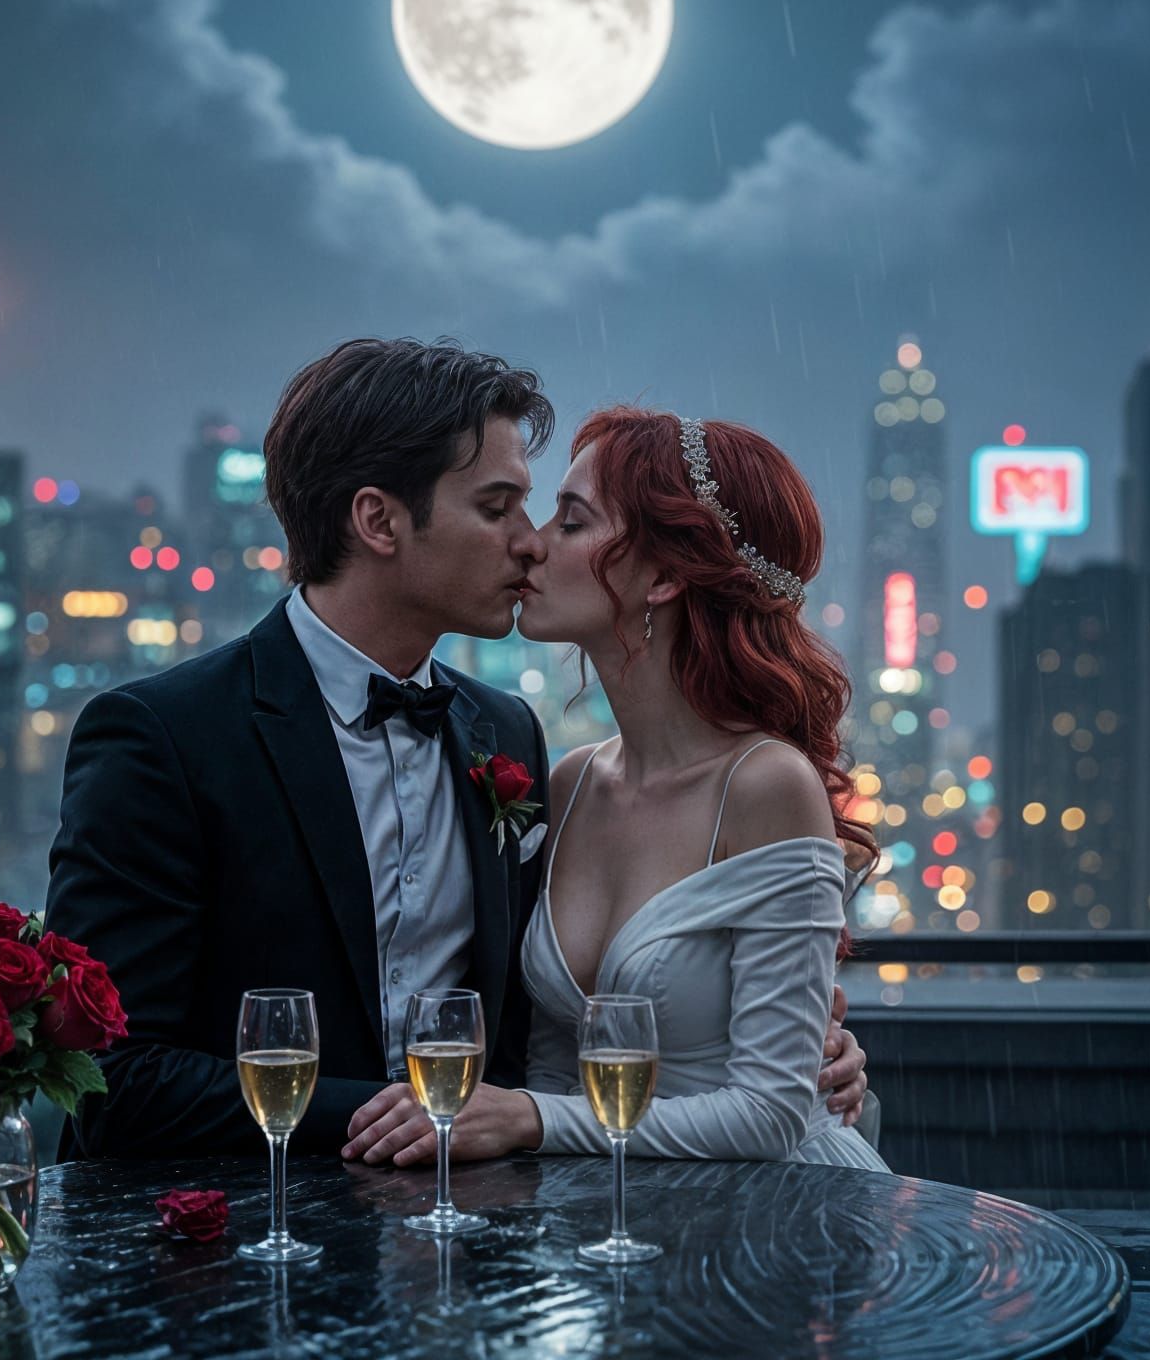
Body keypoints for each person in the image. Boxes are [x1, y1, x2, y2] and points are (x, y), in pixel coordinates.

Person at [45, 341, 869, 1161]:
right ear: (379, 521)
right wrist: (419, 1116)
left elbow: (619, 1025)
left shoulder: (506, 734)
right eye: (498, 507)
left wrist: (794, 1037)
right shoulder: (164, 736)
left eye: (553, 515)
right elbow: (110, 1076)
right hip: (227, 1243)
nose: (530, 543)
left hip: (507, 1236)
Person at [347, 404, 887, 1169]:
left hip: (764, 1222)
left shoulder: (768, 785)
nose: (530, 544)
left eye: (571, 522)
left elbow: (771, 1113)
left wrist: (532, 1120)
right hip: (601, 1217)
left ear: (664, 577)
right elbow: (549, 1067)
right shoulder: (569, 783)